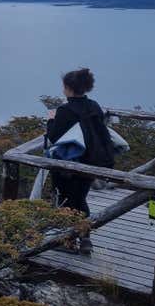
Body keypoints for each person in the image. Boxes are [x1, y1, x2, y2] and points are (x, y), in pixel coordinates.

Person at [46, 68, 115, 255]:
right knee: (80, 199)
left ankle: (69, 242)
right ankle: (85, 239)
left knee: (66, 200)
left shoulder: (65, 110)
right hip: (91, 162)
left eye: (64, 87)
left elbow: (54, 137)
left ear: (68, 88)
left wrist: (51, 120)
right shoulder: (94, 105)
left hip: (68, 165)